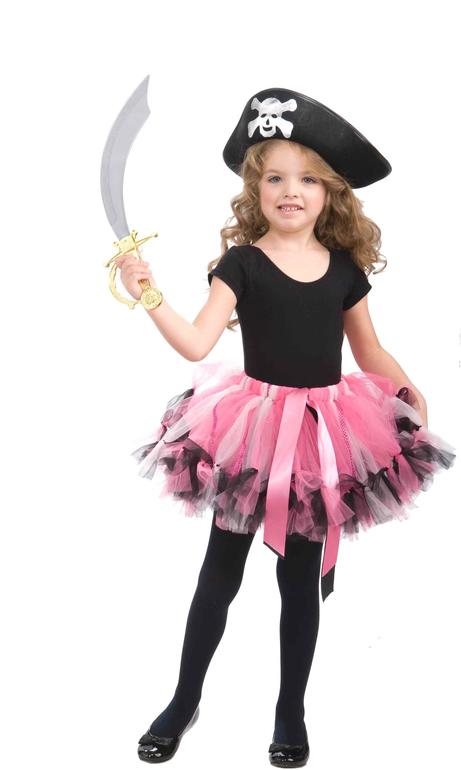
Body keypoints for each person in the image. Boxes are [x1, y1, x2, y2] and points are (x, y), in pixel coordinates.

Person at [114, 88, 456, 767]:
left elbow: (368, 350)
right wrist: (147, 294)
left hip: (322, 439)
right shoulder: (241, 263)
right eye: (274, 177)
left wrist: (408, 390)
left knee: (300, 581)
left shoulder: (344, 271)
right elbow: (196, 342)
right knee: (220, 573)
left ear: (330, 193)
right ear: (255, 189)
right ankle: (184, 699)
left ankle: (290, 710)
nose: (290, 191)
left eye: (306, 179)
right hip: (252, 432)